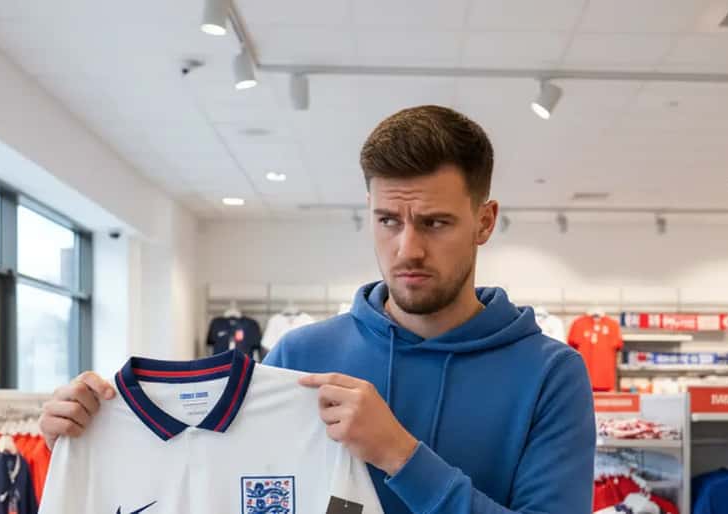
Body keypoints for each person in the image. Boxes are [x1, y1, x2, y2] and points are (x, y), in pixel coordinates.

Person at [38, 105, 596, 513]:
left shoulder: (551, 375)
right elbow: (210, 485)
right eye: (388, 221)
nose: (408, 249)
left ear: (484, 221)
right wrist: (84, 443)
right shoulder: (301, 355)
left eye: (435, 223)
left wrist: (401, 456)